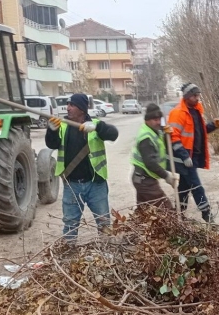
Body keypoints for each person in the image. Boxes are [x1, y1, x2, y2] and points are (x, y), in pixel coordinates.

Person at [45, 93, 119, 242]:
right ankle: (69, 254)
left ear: (82, 109)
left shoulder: (95, 125)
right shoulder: (63, 126)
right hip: (72, 185)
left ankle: (109, 254)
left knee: (104, 222)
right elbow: (51, 144)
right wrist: (51, 130)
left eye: (72, 105)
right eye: (68, 104)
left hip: (95, 184)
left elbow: (113, 134)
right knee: (70, 224)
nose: (68, 108)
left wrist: (97, 127)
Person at [167, 83, 219, 222]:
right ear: (186, 97)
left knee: (185, 186)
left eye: (198, 95)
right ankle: (207, 214)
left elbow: (200, 131)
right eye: (194, 96)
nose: (197, 98)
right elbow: (174, 137)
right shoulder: (177, 113)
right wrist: (184, 156)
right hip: (183, 156)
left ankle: (178, 213)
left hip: (194, 155)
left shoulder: (197, 110)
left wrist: (213, 126)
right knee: (196, 185)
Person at [130, 103, 179, 209]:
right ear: (147, 120)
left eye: (159, 119)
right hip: (144, 180)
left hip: (144, 179)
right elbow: (150, 163)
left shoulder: (156, 130)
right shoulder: (146, 137)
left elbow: (163, 146)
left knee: (143, 213)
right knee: (166, 210)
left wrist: (167, 135)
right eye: (154, 120)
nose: (158, 122)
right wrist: (167, 176)